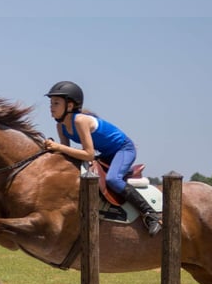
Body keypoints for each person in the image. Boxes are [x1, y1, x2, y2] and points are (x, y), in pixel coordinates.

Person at [43, 81, 162, 236]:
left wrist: (57, 147)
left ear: (70, 106)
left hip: (123, 149)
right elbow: (67, 153)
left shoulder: (80, 120)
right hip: (106, 154)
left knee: (113, 179)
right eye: (51, 103)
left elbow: (89, 154)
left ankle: (150, 215)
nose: (51, 107)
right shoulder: (61, 126)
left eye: (56, 103)